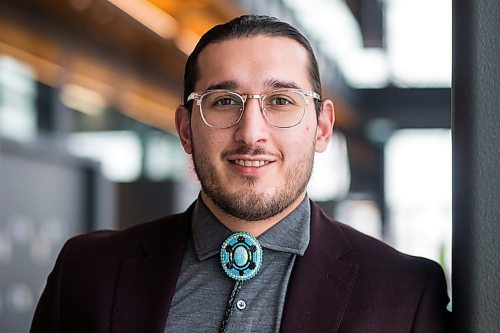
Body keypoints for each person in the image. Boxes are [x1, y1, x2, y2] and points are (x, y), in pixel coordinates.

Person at [30, 15, 450, 333]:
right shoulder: (87, 272)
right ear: (185, 129)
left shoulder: (404, 292)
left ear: (321, 127)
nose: (251, 133)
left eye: (281, 101)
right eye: (224, 101)